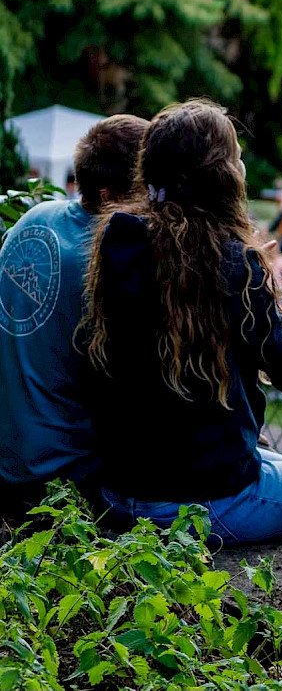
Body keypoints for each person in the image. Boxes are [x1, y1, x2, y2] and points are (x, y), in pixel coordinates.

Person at [81, 100, 282, 550]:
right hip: (202, 501)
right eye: (236, 158)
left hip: (124, 490)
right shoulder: (231, 265)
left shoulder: (120, 242)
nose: (243, 166)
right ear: (221, 177)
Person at [0, 115, 148, 505]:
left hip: (8, 458)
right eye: (145, 190)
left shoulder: (35, 217)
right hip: (62, 480)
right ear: (107, 198)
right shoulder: (104, 261)